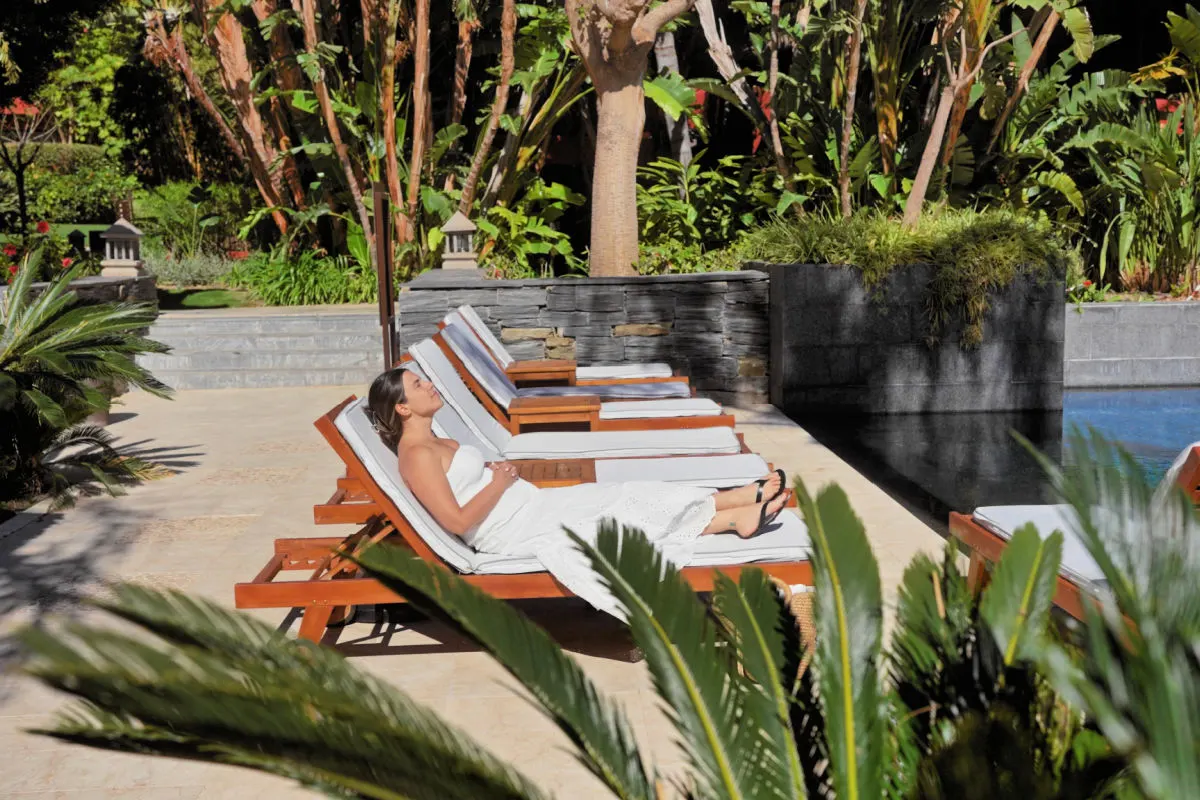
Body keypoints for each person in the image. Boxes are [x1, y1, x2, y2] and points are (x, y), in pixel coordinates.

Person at [365, 367, 792, 614]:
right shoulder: (415, 454)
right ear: (402, 408)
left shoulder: (433, 438)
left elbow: (462, 483)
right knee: (614, 514)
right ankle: (731, 509)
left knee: (622, 492)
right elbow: (456, 521)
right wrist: (497, 482)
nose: (429, 385)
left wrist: (495, 474)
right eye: (418, 385)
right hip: (513, 530)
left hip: (528, 503)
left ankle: (732, 505)